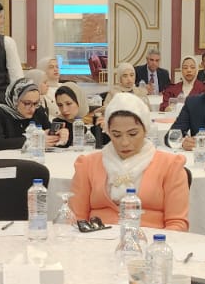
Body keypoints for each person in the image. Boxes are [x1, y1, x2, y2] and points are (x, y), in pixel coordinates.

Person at [68, 93, 188, 230]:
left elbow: (177, 224)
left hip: (152, 239)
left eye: (132, 134)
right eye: (116, 135)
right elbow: (76, 220)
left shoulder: (170, 166)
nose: (124, 142)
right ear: (108, 131)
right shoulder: (87, 165)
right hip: (95, 239)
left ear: (146, 130)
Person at [0, 77, 65, 153]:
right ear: (15, 100)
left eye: (36, 103)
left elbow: (49, 134)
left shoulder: (38, 110)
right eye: (27, 103)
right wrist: (32, 141)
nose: (32, 109)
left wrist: (60, 136)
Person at [51, 83, 105, 148]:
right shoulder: (58, 123)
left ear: (79, 101)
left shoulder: (94, 119)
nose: (64, 110)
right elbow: (55, 147)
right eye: (60, 105)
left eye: (68, 104)